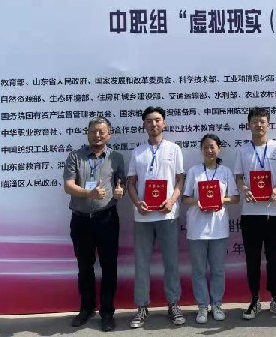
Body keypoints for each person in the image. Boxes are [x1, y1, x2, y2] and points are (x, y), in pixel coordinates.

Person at [63, 116, 125, 332]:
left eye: (101, 131)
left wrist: (120, 192)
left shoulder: (116, 157)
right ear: (87, 133)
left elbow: (121, 184)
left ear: (109, 134)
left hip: (107, 219)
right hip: (81, 220)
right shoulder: (75, 156)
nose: (97, 135)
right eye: (93, 131)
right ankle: (87, 308)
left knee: (109, 266)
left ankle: (107, 312)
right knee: (84, 266)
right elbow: (68, 186)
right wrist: (89, 193)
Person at [126, 106, 186, 329]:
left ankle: (173, 304)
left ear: (164, 123)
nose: (153, 124)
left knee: (171, 263)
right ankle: (142, 306)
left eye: (157, 120)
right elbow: (131, 183)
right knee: (141, 264)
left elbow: (180, 180)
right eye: (149, 121)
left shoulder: (174, 149)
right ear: (144, 125)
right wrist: (137, 203)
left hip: (167, 214)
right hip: (143, 216)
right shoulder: (137, 152)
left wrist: (171, 201)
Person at [234, 107, 276, 320]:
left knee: (274, 259)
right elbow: (238, 177)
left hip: (273, 214)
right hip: (250, 214)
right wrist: (245, 190)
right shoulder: (242, 150)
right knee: (252, 259)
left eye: (262, 121)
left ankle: (275, 299)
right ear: (249, 124)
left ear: (268, 124)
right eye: (255, 121)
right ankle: (254, 299)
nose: (259, 125)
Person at [182, 134, 240, 324]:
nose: (209, 150)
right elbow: (185, 198)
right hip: (197, 229)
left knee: (217, 270)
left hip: (218, 229)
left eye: (212, 147)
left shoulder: (225, 172)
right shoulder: (194, 171)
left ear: (219, 149)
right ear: (201, 150)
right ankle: (202, 306)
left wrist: (219, 200)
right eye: (205, 147)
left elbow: (235, 198)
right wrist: (198, 202)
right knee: (199, 270)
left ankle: (216, 305)